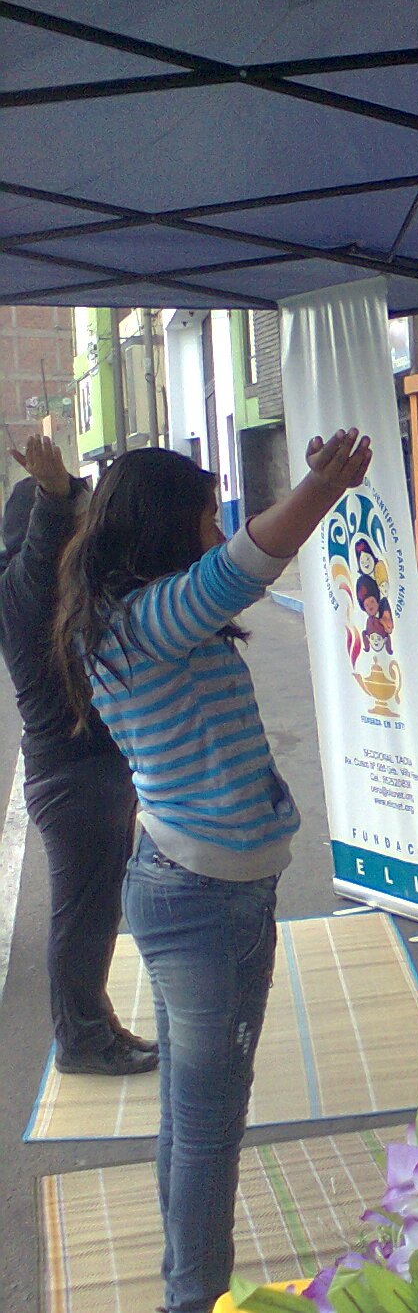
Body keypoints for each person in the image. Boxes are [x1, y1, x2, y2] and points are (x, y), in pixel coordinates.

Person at [53, 426, 372, 1313]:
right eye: (205, 514)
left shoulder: (127, 615)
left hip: (210, 886)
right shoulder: (147, 623)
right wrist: (320, 488)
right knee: (209, 1124)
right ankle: (191, 1299)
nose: (215, 527)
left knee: (199, 1116)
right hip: (200, 897)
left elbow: (228, 569)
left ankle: (184, 1291)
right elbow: (246, 563)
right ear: (167, 526)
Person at [0, 437, 156, 1077]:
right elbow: (43, 557)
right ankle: (83, 1042)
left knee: (91, 916)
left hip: (86, 777)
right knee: (83, 920)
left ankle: (95, 1029)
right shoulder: (21, 591)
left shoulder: (53, 591)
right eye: (84, 522)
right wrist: (56, 493)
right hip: (73, 781)